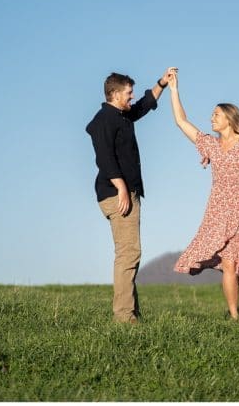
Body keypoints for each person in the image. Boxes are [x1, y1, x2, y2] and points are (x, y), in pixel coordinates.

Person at [167, 70, 239, 319]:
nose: (211, 118)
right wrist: (174, 90)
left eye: (216, 115)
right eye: (211, 115)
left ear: (229, 119)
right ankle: (234, 316)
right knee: (228, 264)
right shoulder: (211, 144)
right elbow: (181, 122)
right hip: (219, 209)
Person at [86, 67, 176, 324]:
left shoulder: (121, 116)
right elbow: (104, 158)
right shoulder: (105, 120)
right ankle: (124, 316)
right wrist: (122, 188)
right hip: (117, 194)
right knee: (128, 253)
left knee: (129, 252)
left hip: (125, 192)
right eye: (128, 93)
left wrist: (162, 83)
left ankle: (130, 312)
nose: (132, 97)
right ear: (114, 94)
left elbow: (142, 108)